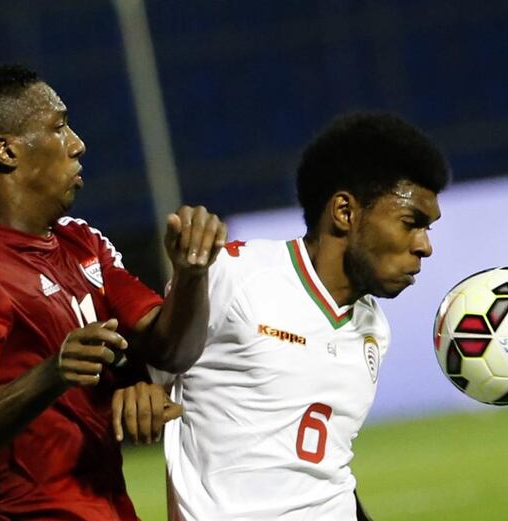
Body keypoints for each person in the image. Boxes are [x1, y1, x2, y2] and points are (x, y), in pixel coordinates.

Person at [0, 64, 226, 521]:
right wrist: (53, 373)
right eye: (58, 127)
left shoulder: (81, 241)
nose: (78, 143)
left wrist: (192, 273)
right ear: (5, 149)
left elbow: (170, 349)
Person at [145, 112, 449, 520]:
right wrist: (135, 382)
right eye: (412, 223)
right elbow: (148, 365)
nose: (425, 246)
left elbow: (324, 469)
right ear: (345, 211)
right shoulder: (234, 277)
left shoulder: (373, 328)